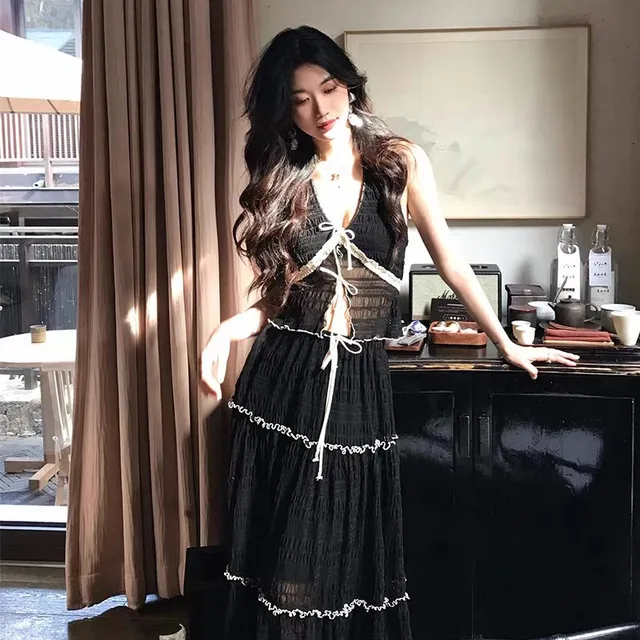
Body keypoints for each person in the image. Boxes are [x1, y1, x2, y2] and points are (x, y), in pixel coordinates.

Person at [200, 25, 579, 640]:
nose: (321, 109)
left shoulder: (397, 162)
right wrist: (225, 331)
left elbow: (451, 264)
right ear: (284, 109)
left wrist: (507, 342)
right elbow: (279, 301)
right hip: (282, 383)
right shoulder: (285, 177)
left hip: (358, 380)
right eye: (300, 99)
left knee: (346, 549)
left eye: (329, 88)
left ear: (349, 85)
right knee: (287, 557)